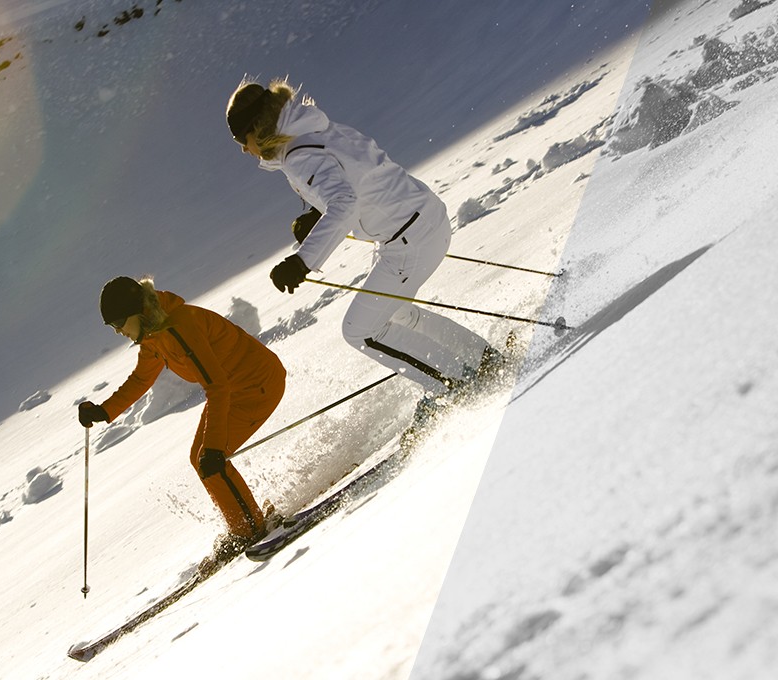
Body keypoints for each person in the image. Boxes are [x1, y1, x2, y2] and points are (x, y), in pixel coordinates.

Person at [225, 77, 504, 413]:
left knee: (359, 331)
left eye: (242, 138)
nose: (243, 148)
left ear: (258, 127)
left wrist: (302, 262)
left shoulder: (299, 155)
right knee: (395, 311)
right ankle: (481, 358)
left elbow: (344, 202)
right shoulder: (311, 130)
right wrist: (317, 214)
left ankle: (452, 384)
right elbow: (359, 177)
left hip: (409, 239)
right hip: (421, 219)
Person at [77, 275, 286, 566]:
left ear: (136, 312)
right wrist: (104, 410)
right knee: (199, 458)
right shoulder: (153, 334)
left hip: (256, 384)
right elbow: (141, 378)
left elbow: (217, 386)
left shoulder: (179, 327)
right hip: (234, 388)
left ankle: (254, 530)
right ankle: (244, 526)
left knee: (211, 459)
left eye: (118, 323)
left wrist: (214, 448)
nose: (118, 332)